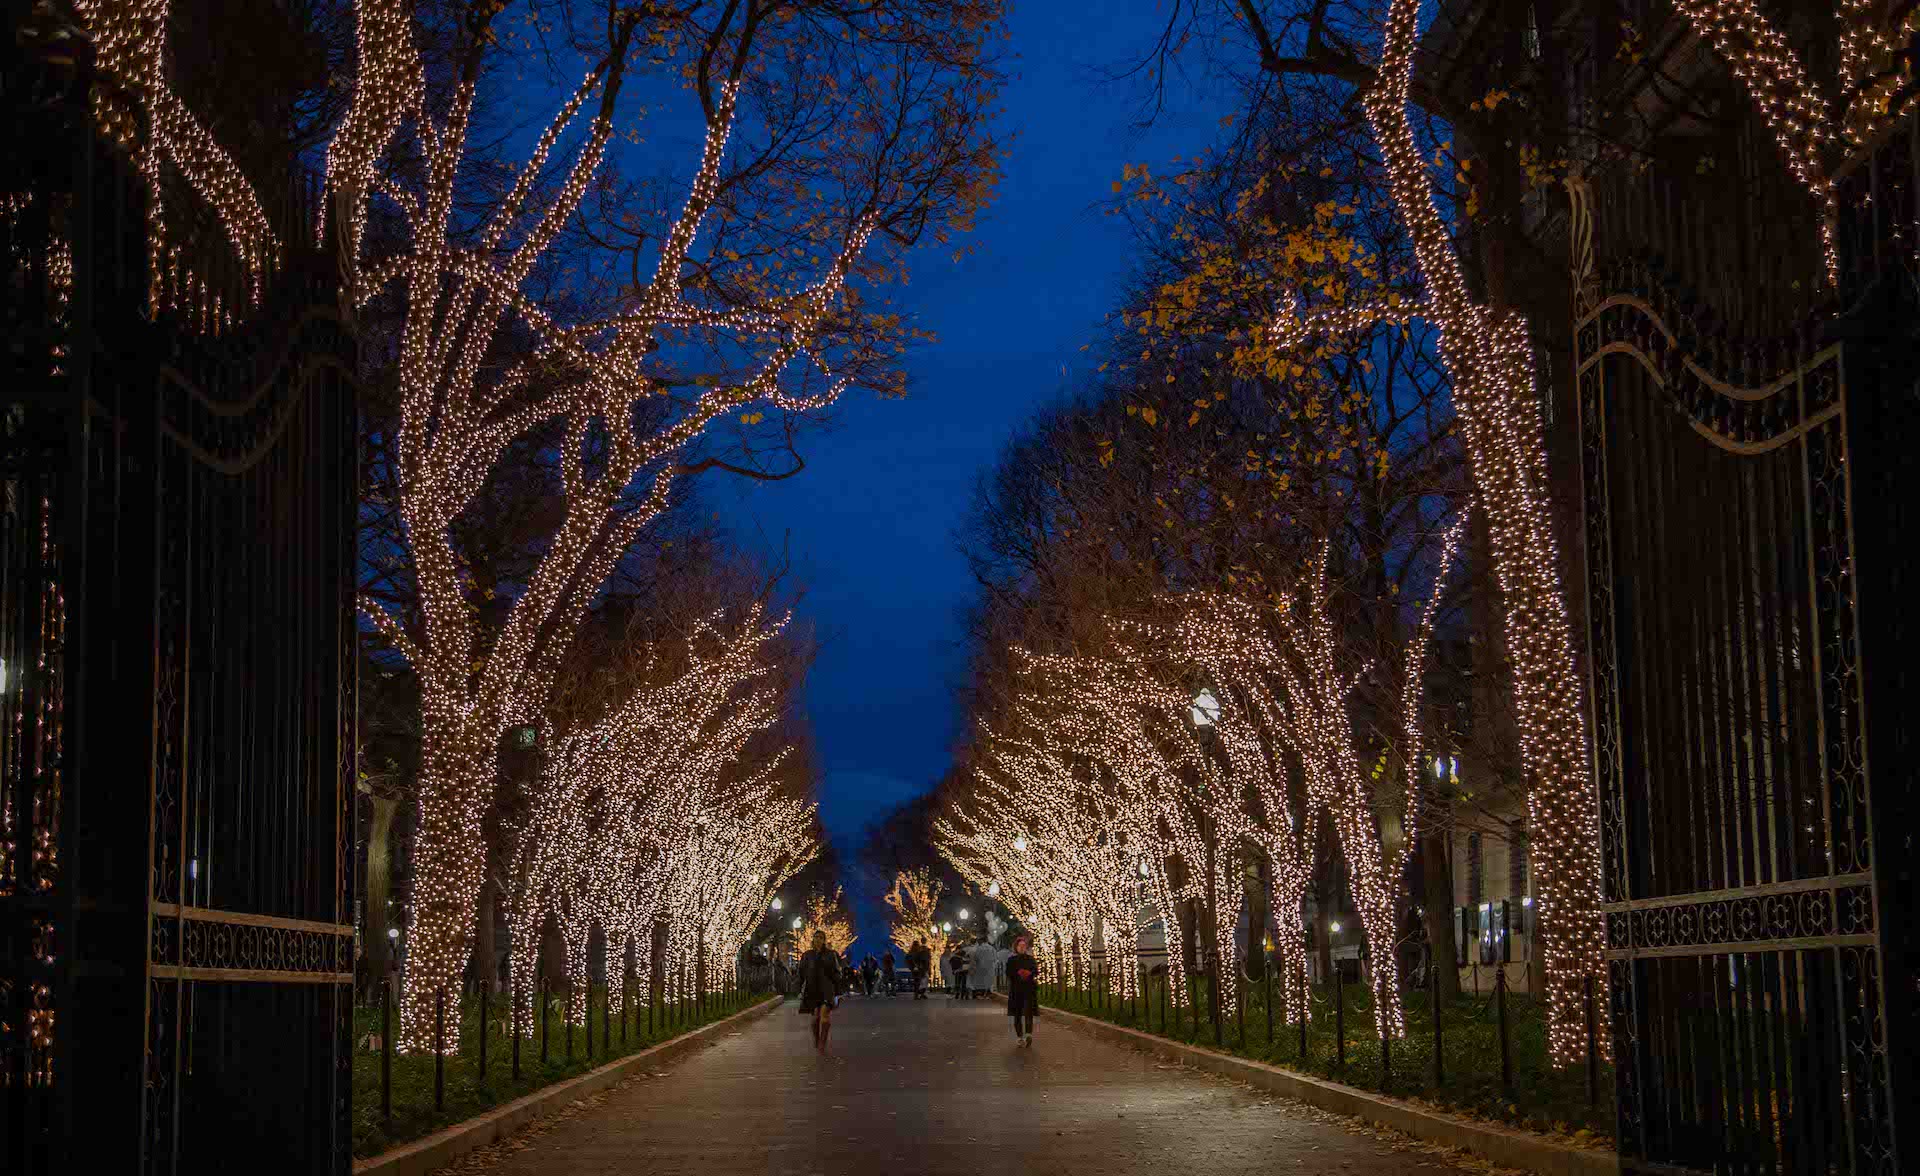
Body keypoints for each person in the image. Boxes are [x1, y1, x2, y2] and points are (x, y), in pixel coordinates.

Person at [797, 931, 844, 1052]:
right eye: (816, 937)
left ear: (824, 940)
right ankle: (817, 1039)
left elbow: (835, 974)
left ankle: (822, 1042)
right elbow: (801, 973)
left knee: (824, 1016)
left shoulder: (830, 955)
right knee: (815, 1018)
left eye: (821, 938)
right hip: (812, 989)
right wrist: (798, 988)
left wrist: (838, 992)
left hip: (826, 989)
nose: (818, 940)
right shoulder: (807, 955)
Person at [1005, 932, 1039, 1046]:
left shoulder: (1030, 959)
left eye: (1024, 946)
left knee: (1028, 1012)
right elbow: (1008, 973)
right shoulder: (1012, 960)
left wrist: (1029, 973)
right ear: (1016, 947)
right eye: (1020, 946)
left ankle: (1028, 1034)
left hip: (1028, 990)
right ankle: (1020, 1036)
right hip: (1016, 990)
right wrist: (1017, 973)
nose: (1022, 948)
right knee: (1017, 1014)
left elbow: (1036, 971)